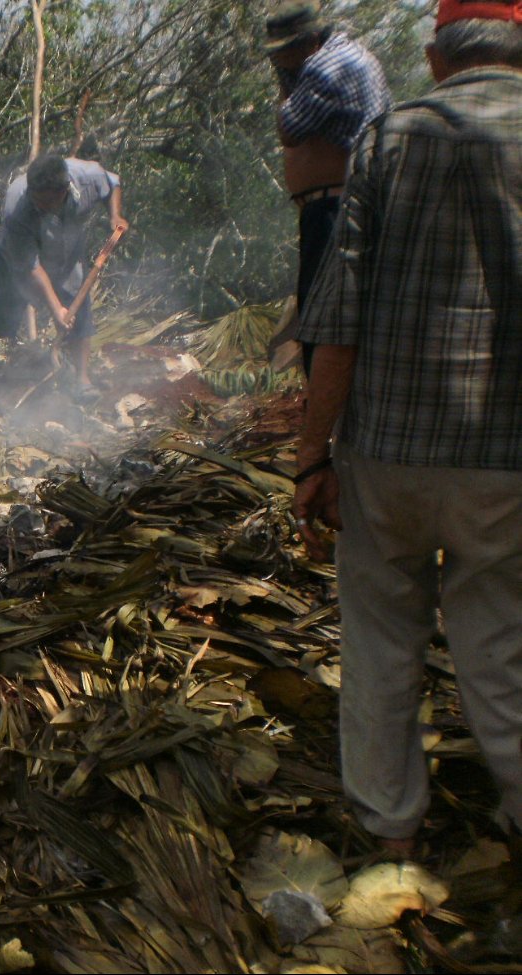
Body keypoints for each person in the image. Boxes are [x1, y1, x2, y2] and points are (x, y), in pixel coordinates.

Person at [293, 0, 522, 857]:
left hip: (386, 455)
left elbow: (338, 322)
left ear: (434, 56)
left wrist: (311, 457)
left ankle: (388, 830)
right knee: (502, 651)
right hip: (507, 459)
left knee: (384, 648)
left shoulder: (388, 140)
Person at [265, 0, 390, 376]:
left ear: (309, 41)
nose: (278, 61)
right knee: (330, 320)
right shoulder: (345, 56)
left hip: (335, 208)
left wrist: (287, 80)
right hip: (342, 203)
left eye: (282, 53)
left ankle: (325, 429)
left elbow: (289, 130)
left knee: (323, 327)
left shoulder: (324, 67)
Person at [0, 152, 127, 402]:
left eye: (44, 202)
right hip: (16, 260)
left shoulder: (86, 176)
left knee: (79, 307)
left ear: (62, 191)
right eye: (35, 199)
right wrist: (57, 310)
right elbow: (31, 267)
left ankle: (82, 381)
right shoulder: (17, 203)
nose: (37, 204)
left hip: (66, 255)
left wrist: (115, 215)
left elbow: (112, 183)